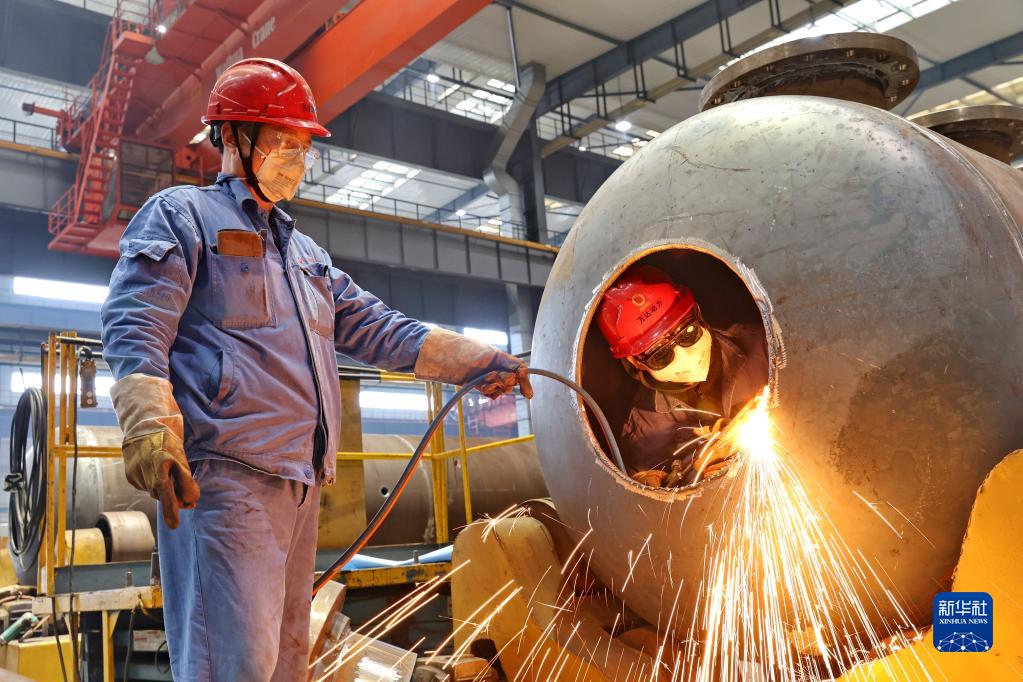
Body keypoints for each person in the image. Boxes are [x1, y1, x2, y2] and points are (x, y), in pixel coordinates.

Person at [100, 58, 532, 682]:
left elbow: (381, 329)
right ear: (234, 137)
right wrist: (149, 423)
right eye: (283, 142)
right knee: (236, 665)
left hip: (300, 484)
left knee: (286, 664)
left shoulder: (307, 256)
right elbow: (137, 319)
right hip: (227, 480)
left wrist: (477, 359)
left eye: (303, 147)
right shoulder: (183, 216)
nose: (296, 159)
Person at [596, 265, 767, 486]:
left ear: (697, 313)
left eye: (688, 334)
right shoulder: (647, 423)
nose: (685, 359)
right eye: (661, 356)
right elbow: (645, 489)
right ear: (635, 362)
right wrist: (695, 473)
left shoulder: (765, 349)